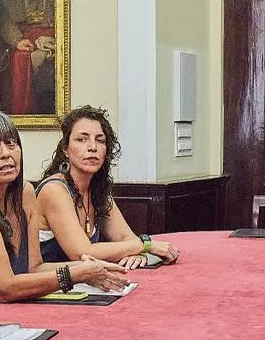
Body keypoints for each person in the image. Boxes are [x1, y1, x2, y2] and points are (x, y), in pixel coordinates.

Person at [0, 109, 128, 313]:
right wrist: (76, 274)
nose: (5, 153)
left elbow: (34, 268)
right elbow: (4, 288)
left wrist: (92, 269)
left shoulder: (25, 192)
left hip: (11, 313)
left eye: (11, 143)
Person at [36, 105, 181, 269]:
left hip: (86, 281)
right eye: (82, 139)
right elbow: (82, 253)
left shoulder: (98, 190)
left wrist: (135, 252)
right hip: (48, 283)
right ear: (65, 149)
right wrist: (144, 245)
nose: (92, 147)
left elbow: (125, 237)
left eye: (100, 140)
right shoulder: (54, 190)